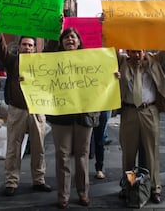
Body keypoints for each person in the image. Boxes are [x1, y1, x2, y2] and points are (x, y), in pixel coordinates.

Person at [46, 28, 114, 209]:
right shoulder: (52, 61)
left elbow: (102, 79)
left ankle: (83, 193)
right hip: (61, 117)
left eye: (73, 37)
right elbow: (40, 76)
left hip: (84, 117)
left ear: (78, 42)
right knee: (62, 156)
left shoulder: (89, 60)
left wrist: (114, 77)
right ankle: (63, 195)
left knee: (82, 157)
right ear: (61, 42)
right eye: (66, 37)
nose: (70, 39)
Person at [0, 11, 51, 196]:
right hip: (16, 110)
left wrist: (58, 26)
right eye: (24, 44)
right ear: (19, 47)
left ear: (34, 48)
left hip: (37, 110)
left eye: (30, 45)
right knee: (13, 148)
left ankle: (39, 180)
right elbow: (0, 47)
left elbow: (52, 49)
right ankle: (11, 182)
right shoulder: (12, 61)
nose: (27, 47)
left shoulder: (42, 61)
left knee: (39, 148)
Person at [117, 50, 165, 204]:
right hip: (129, 111)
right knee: (129, 154)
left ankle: (154, 188)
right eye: (132, 52)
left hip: (149, 111)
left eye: (139, 52)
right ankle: (129, 186)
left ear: (144, 50)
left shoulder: (154, 60)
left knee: (152, 153)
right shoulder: (122, 61)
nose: (136, 55)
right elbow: (108, 48)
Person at [91, 110, 111, 179]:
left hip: (100, 109)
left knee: (99, 140)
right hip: (85, 111)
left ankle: (99, 168)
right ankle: (82, 170)